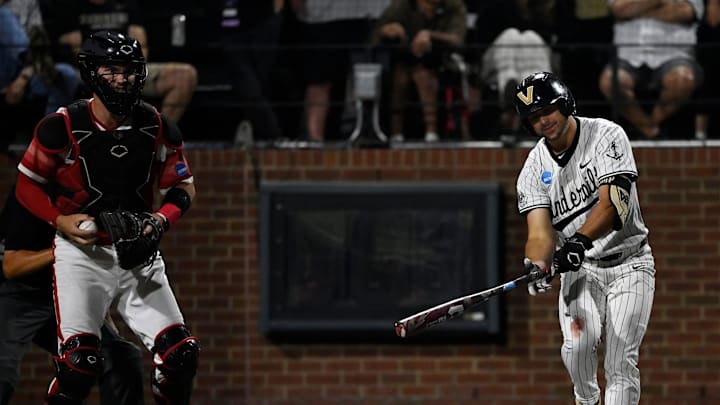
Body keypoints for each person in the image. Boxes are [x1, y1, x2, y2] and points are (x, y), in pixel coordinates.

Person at [14, 30, 199, 404]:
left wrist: (158, 223)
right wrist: (60, 221)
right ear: (92, 73)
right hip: (81, 254)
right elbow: (27, 186)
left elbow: (183, 189)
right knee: (80, 365)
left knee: (180, 356)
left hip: (138, 252)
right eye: (111, 70)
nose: (122, 79)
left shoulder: (158, 126)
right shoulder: (61, 127)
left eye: (129, 70)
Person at [514, 72, 655, 405]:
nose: (543, 121)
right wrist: (537, 263)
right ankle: (586, 398)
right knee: (577, 348)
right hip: (580, 269)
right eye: (533, 117)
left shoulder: (607, 135)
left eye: (547, 110)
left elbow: (613, 206)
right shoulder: (533, 168)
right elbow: (538, 232)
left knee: (620, 361)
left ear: (565, 104)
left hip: (631, 264)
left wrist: (577, 241)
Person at [0, 186, 145, 405]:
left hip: (64, 294)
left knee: (121, 357)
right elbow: (11, 266)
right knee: (2, 368)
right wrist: (63, 248)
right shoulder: (32, 190)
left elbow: (90, 270)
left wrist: (105, 323)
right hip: (16, 295)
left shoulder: (99, 196)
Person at [46, 0, 198, 124]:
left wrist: (127, 70)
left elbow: (141, 46)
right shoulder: (70, 5)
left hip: (128, 67)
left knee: (184, 76)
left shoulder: (126, 3)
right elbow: (75, 49)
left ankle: (157, 138)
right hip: (86, 71)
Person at [598, 0, 704, 138]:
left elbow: (687, 12)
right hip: (629, 54)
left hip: (674, 54)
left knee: (683, 80)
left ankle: (646, 127)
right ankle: (650, 130)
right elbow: (619, 9)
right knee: (610, 82)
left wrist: (637, 9)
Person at [292, 0, 390, 141]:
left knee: (372, 79)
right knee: (320, 80)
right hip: (322, 16)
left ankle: (374, 137)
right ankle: (314, 141)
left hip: (376, 12)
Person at [371, 0, 467, 142]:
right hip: (404, 58)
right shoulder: (401, 5)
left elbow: (457, 40)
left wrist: (430, 35)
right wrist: (387, 30)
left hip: (438, 61)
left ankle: (431, 131)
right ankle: (396, 133)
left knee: (423, 75)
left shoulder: (453, 5)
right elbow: (374, 37)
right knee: (400, 77)